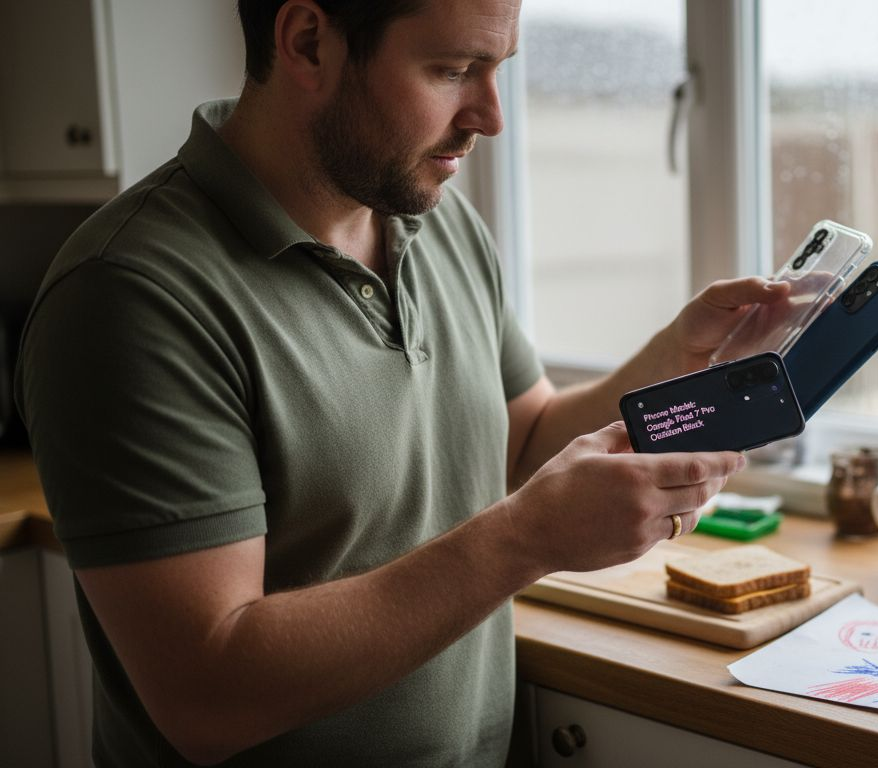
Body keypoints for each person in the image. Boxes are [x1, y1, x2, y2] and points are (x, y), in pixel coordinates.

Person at [14, 1, 787, 765]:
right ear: (308, 42)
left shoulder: (436, 219)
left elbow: (519, 445)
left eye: (498, 70)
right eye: (453, 70)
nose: (490, 118)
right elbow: (208, 696)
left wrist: (677, 356)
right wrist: (524, 539)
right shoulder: (128, 295)